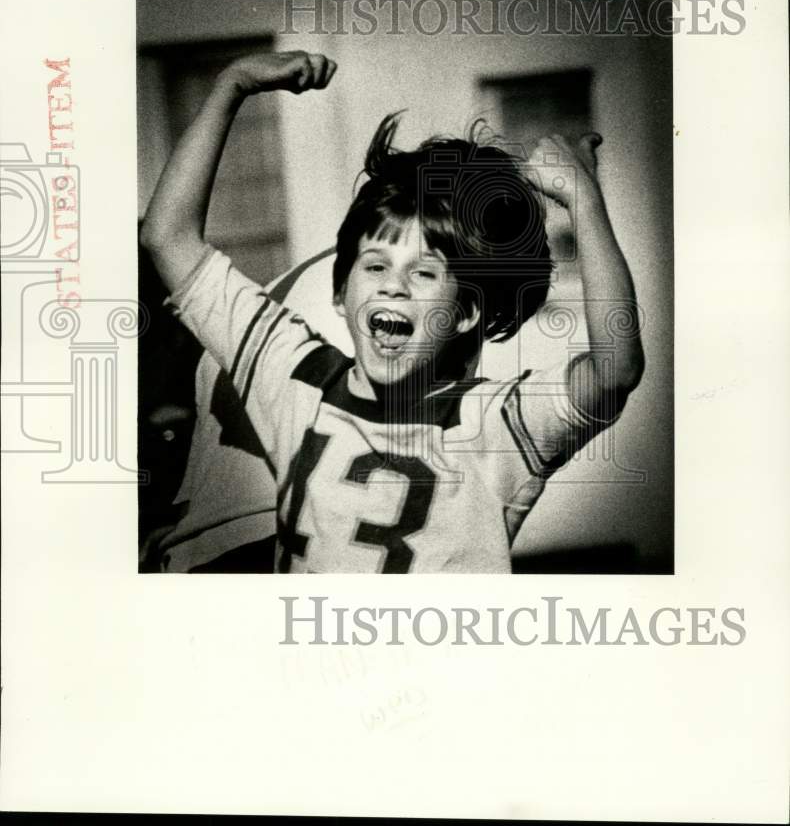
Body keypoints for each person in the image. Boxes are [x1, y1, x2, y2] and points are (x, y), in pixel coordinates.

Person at [141, 51, 644, 573]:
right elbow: (167, 237)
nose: (394, 287)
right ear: (338, 293)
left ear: (467, 313)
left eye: (424, 274)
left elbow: (616, 370)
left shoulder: (491, 424)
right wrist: (233, 83)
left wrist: (582, 199)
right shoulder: (294, 383)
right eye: (375, 267)